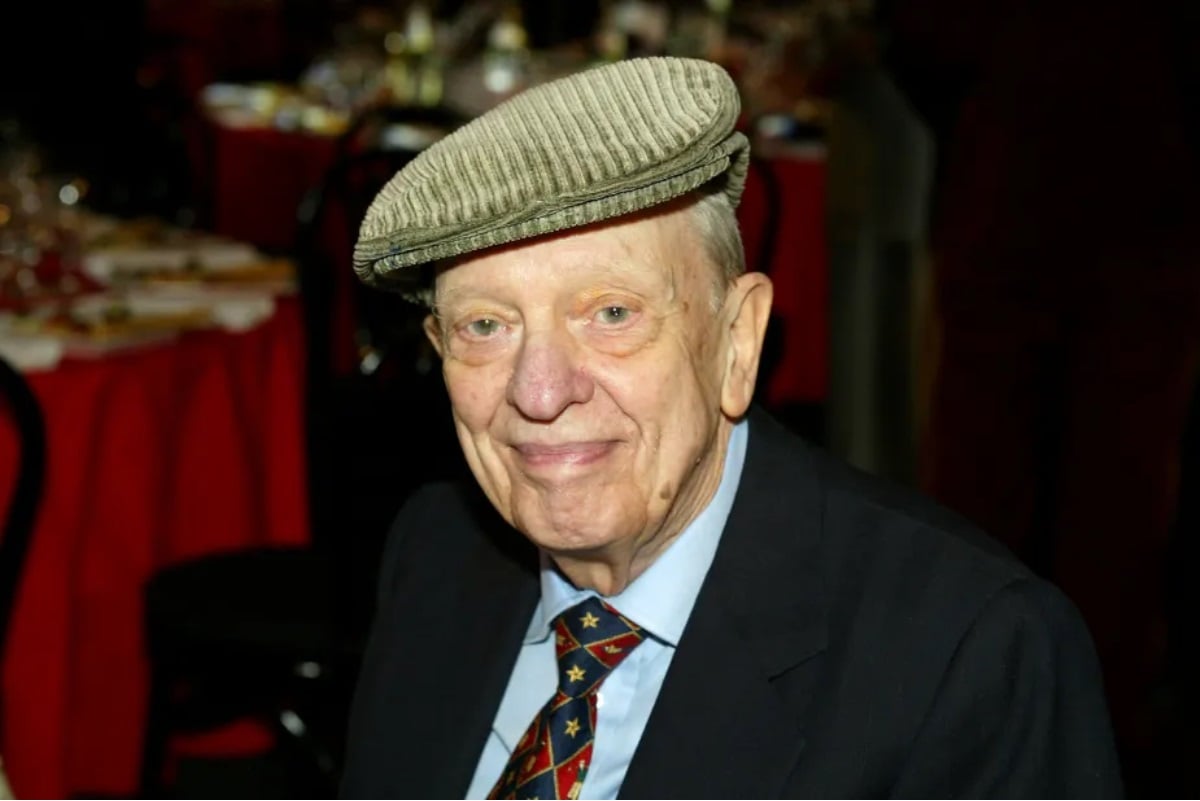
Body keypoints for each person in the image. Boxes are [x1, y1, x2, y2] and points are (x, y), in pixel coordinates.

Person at [339, 57, 1121, 798]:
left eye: (612, 313)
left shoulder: (974, 653)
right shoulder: (435, 551)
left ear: (738, 341)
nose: (540, 392)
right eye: (485, 325)